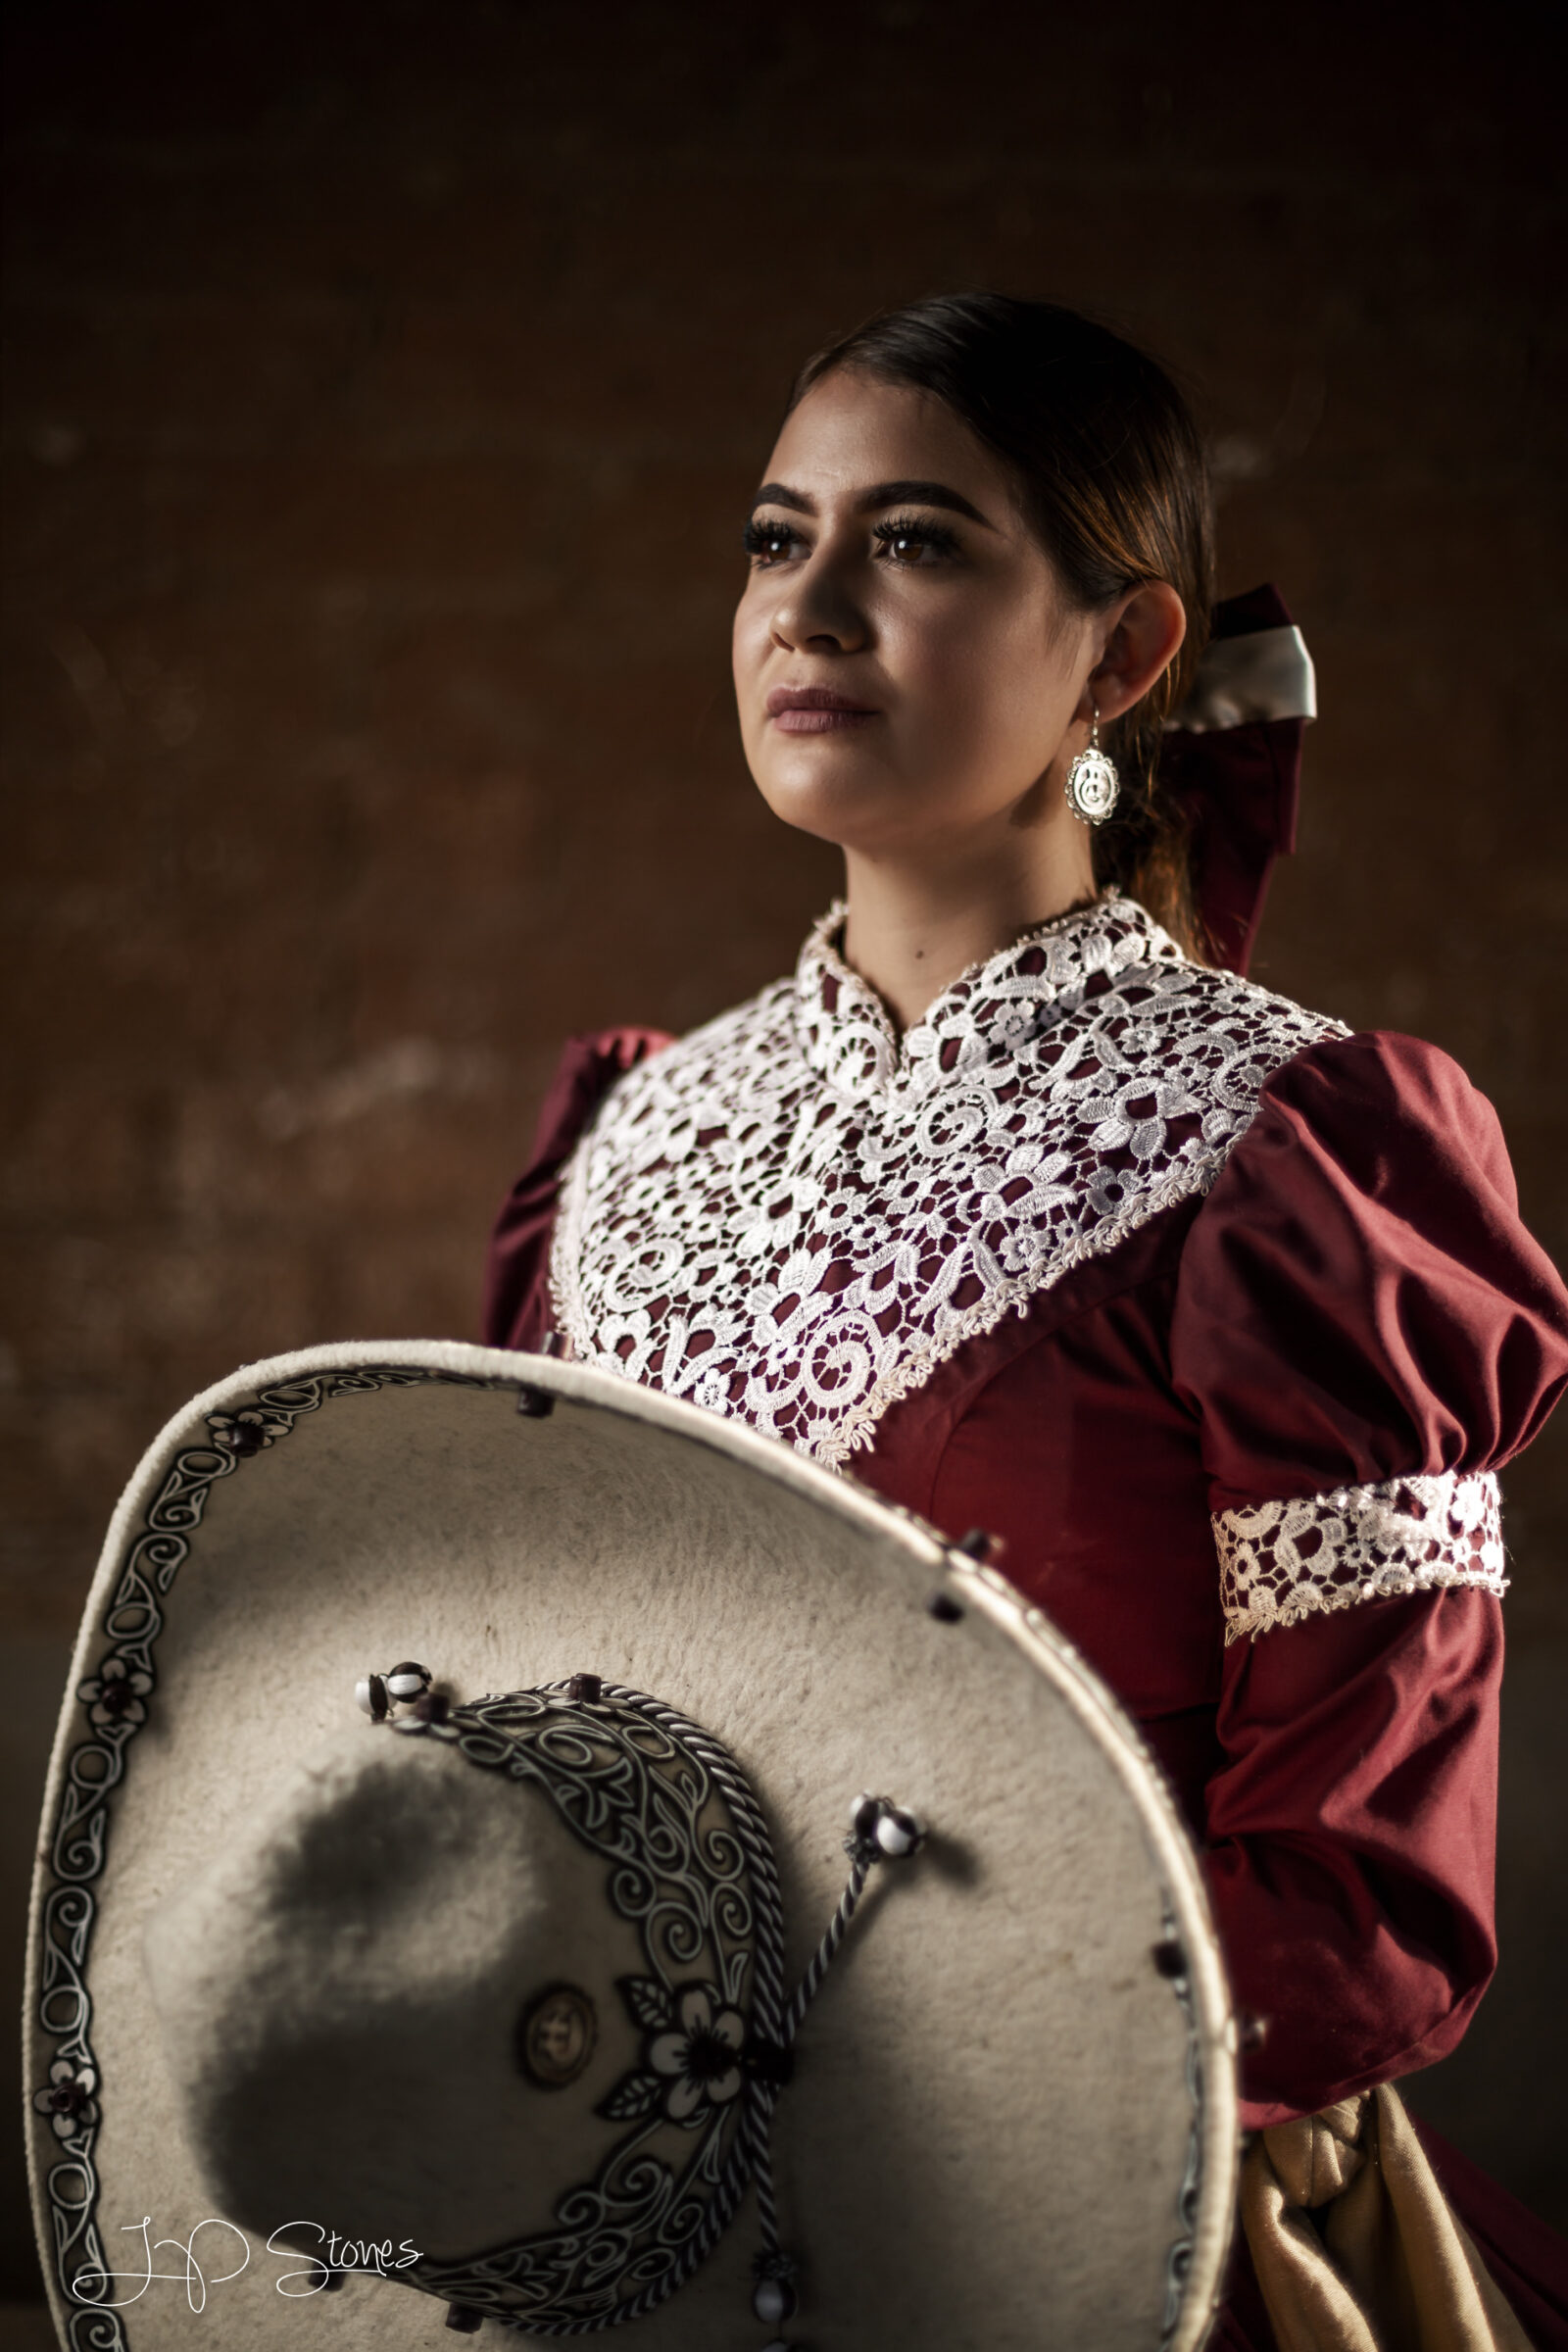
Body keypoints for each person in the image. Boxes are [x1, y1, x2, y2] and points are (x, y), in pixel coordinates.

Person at [483, 294, 1568, 2345]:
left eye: (909, 540)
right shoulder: (622, 1141)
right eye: (768, 538)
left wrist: (855, 2080)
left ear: (1126, 647)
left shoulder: (1300, 1157)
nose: (804, 608)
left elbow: (1364, 1914)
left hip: (1122, 2225)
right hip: (631, 2220)